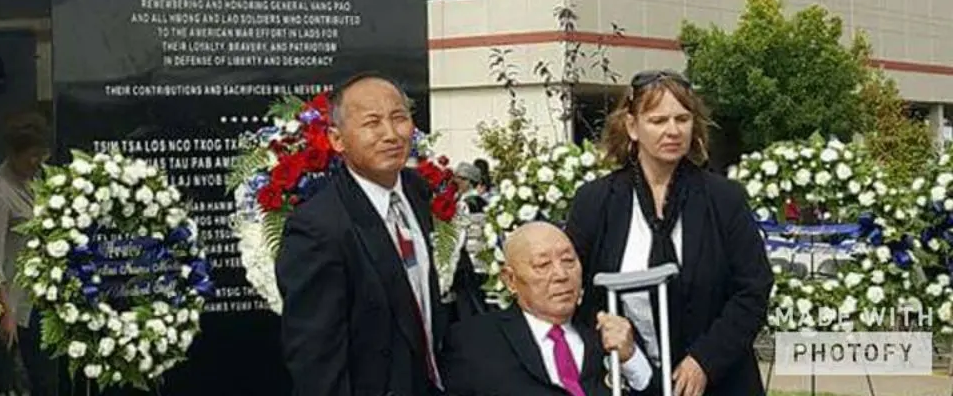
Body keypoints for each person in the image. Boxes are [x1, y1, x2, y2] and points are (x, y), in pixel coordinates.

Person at [565, 71, 772, 396]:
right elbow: (573, 290)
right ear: (633, 127)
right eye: (658, 120)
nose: (673, 131)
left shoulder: (724, 198)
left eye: (682, 119)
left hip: (721, 381)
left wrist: (704, 360)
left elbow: (753, 289)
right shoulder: (596, 202)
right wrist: (612, 340)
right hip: (626, 378)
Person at [275, 74, 444, 396]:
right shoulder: (317, 228)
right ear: (337, 140)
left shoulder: (418, 192)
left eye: (399, 118)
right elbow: (316, 358)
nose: (391, 134)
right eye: (372, 123)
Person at [441, 221, 652, 396]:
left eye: (569, 261)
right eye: (543, 265)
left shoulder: (609, 328)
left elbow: (659, 391)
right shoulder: (473, 342)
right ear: (510, 280)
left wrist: (631, 358)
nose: (561, 275)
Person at [0, 111, 54, 395]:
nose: (36, 162)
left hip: (43, 303)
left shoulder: (40, 182)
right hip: (16, 308)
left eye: (40, 155)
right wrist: (6, 313)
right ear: (12, 153)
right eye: (30, 156)